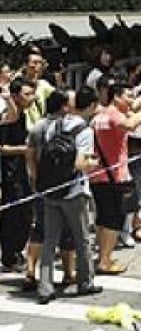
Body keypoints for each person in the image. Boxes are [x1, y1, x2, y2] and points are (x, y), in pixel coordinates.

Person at [31, 87, 101, 304]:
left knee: (50, 240)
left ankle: (45, 286)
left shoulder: (54, 125)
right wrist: (93, 163)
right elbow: (81, 163)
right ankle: (85, 281)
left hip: (52, 191)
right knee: (82, 239)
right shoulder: (85, 131)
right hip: (74, 192)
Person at [90, 80, 141, 275]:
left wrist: (139, 102)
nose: (130, 99)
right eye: (127, 96)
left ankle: (102, 255)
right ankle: (105, 260)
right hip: (114, 175)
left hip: (97, 174)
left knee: (102, 218)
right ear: (116, 97)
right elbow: (131, 124)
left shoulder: (98, 115)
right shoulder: (115, 116)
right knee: (113, 219)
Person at [25, 89, 78, 290]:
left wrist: (35, 179)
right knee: (64, 229)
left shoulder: (38, 126)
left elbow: (29, 157)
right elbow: (31, 155)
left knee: (40, 228)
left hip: (42, 185)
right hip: (60, 185)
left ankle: (32, 271)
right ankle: (67, 272)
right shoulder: (61, 126)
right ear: (63, 105)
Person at [0, 77, 37, 271]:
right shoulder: (8, 116)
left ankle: (17, 252)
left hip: (22, 171)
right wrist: (24, 149)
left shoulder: (22, 115)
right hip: (9, 173)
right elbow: (2, 148)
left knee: (25, 213)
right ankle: (9, 256)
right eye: (27, 94)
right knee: (12, 215)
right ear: (15, 96)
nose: (31, 98)